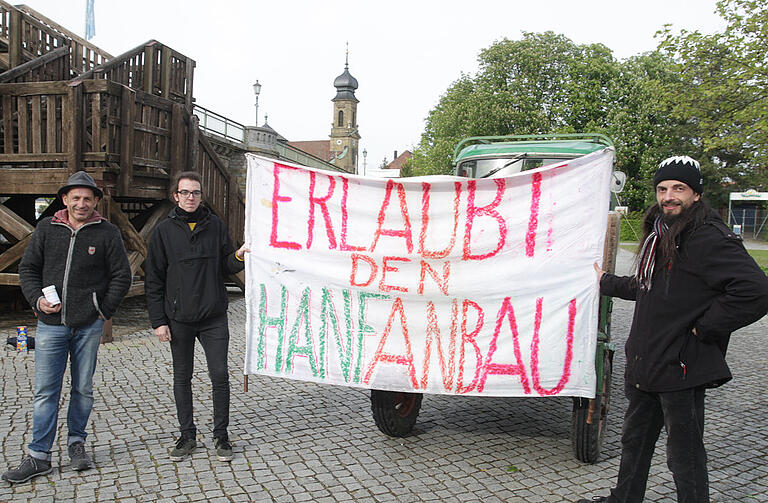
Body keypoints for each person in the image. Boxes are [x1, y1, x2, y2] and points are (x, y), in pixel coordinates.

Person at [577, 156, 768, 503]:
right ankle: (625, 498)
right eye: (663, 189)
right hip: (646, 362)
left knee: (684, 454)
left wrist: (704, 328)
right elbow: (649, 287)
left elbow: (755, 291)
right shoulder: (659, 235)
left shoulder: (708, 236)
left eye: (678, 189)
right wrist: (605, 281)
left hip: (681, 366)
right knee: (634, 442)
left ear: (696, 194)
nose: (669, 196)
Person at [3, 171, 131, 484]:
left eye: (88, 198)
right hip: (50, 326)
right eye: (75, 198)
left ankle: (77, 444)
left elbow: (122, 276)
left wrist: (102, 310)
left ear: (96, 201)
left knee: (82, 389)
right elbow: (29, 269)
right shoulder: (47, 228)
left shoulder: (108, 233)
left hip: (88, 326)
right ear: (65, 200)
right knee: (46, 391)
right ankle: (39, 456)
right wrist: (36, 301)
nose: (81, 203)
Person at [145, 171, 248, 463]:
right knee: (182, 377)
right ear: (175, 196)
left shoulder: (214, 225)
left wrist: (239, 255)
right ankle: (187, 435)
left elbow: (227, 264)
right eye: (185, 192)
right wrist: (158, 321)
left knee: (219, 376)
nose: (191, 197)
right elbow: (153, 278)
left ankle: (221, 435)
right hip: (179, 317)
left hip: (213, 315)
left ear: (202, 196)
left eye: (196, 193)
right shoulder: (164, 231)